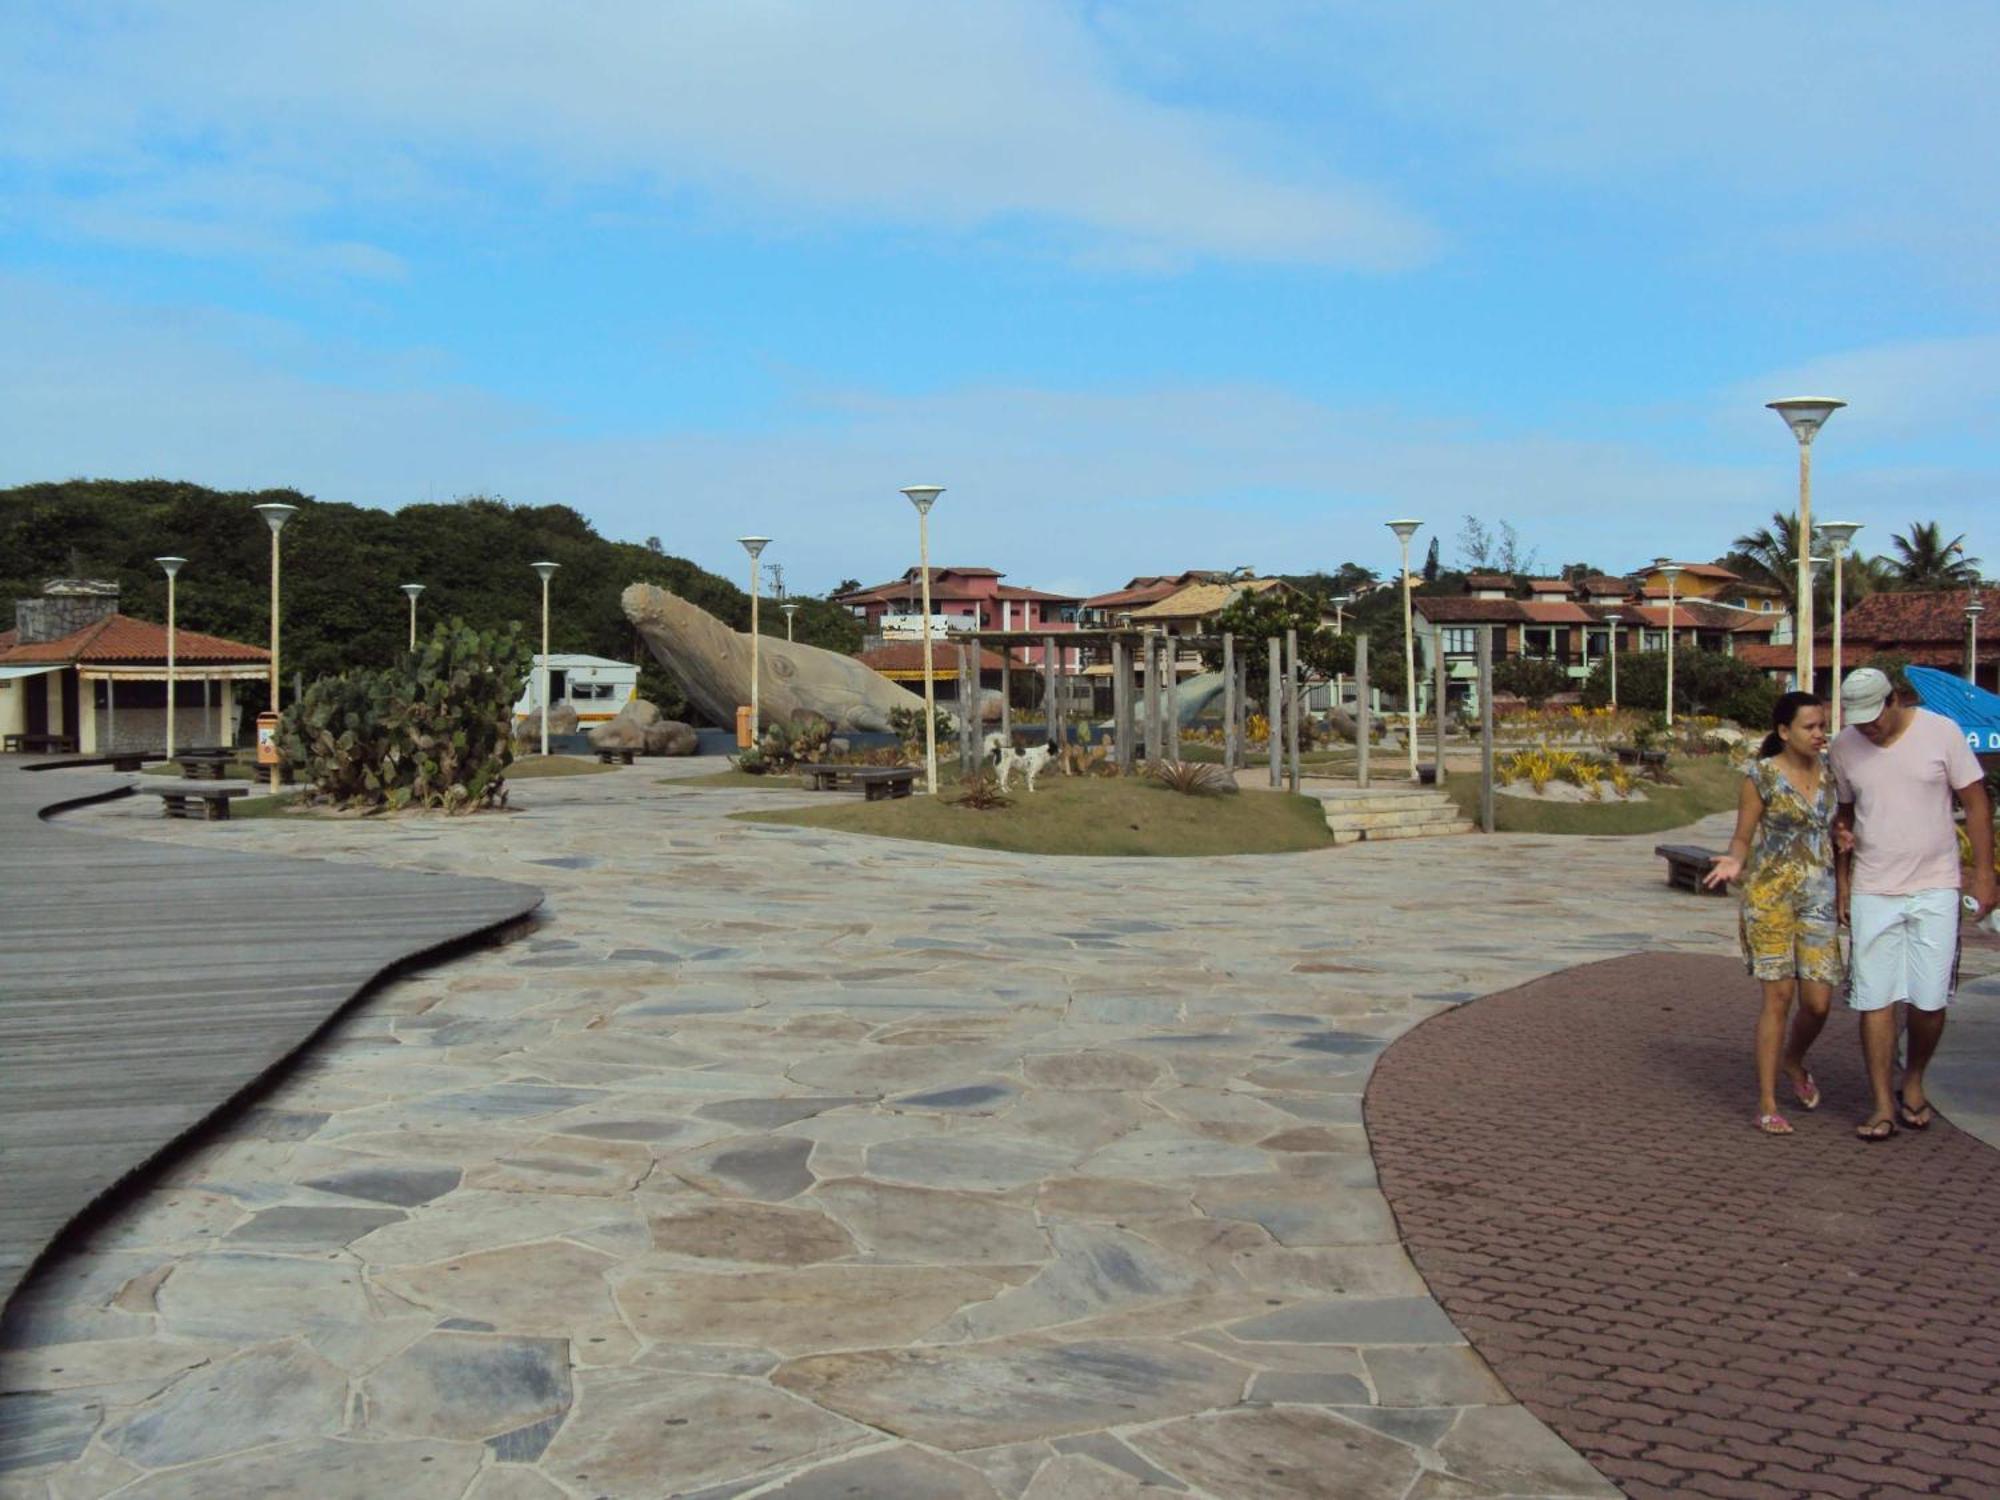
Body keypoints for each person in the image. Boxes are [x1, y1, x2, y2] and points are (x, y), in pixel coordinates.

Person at [1830, 667, 1998, 1142]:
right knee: (1874, 999)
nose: (1869, 727)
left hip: (1935, 885)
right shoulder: (1844, 746)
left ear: (1895, 699)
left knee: (1928, 1002)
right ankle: (1882, 1102)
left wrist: (1985, 874)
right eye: (1859, 720)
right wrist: (1842, 879)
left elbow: (1978, 802)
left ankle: (1914, 1078)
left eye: (1875, 716)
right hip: (1873, 887)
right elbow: (1844, 815)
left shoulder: (1940, 732)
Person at [1704, 692, 1841, 1134]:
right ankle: (1767, 1101)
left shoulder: (1832, 776)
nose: (1819, 734)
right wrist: (1734, 860)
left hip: (1818, 897)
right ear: (1784, 732)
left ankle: (1793, 1060)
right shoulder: (1761, 776)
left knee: (1818, 1004)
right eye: (1810, 727)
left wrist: (1844, 841)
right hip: (1771, 900)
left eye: (1822, 725)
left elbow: (1833, 827)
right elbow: (1743, 836)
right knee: (1778, 999)